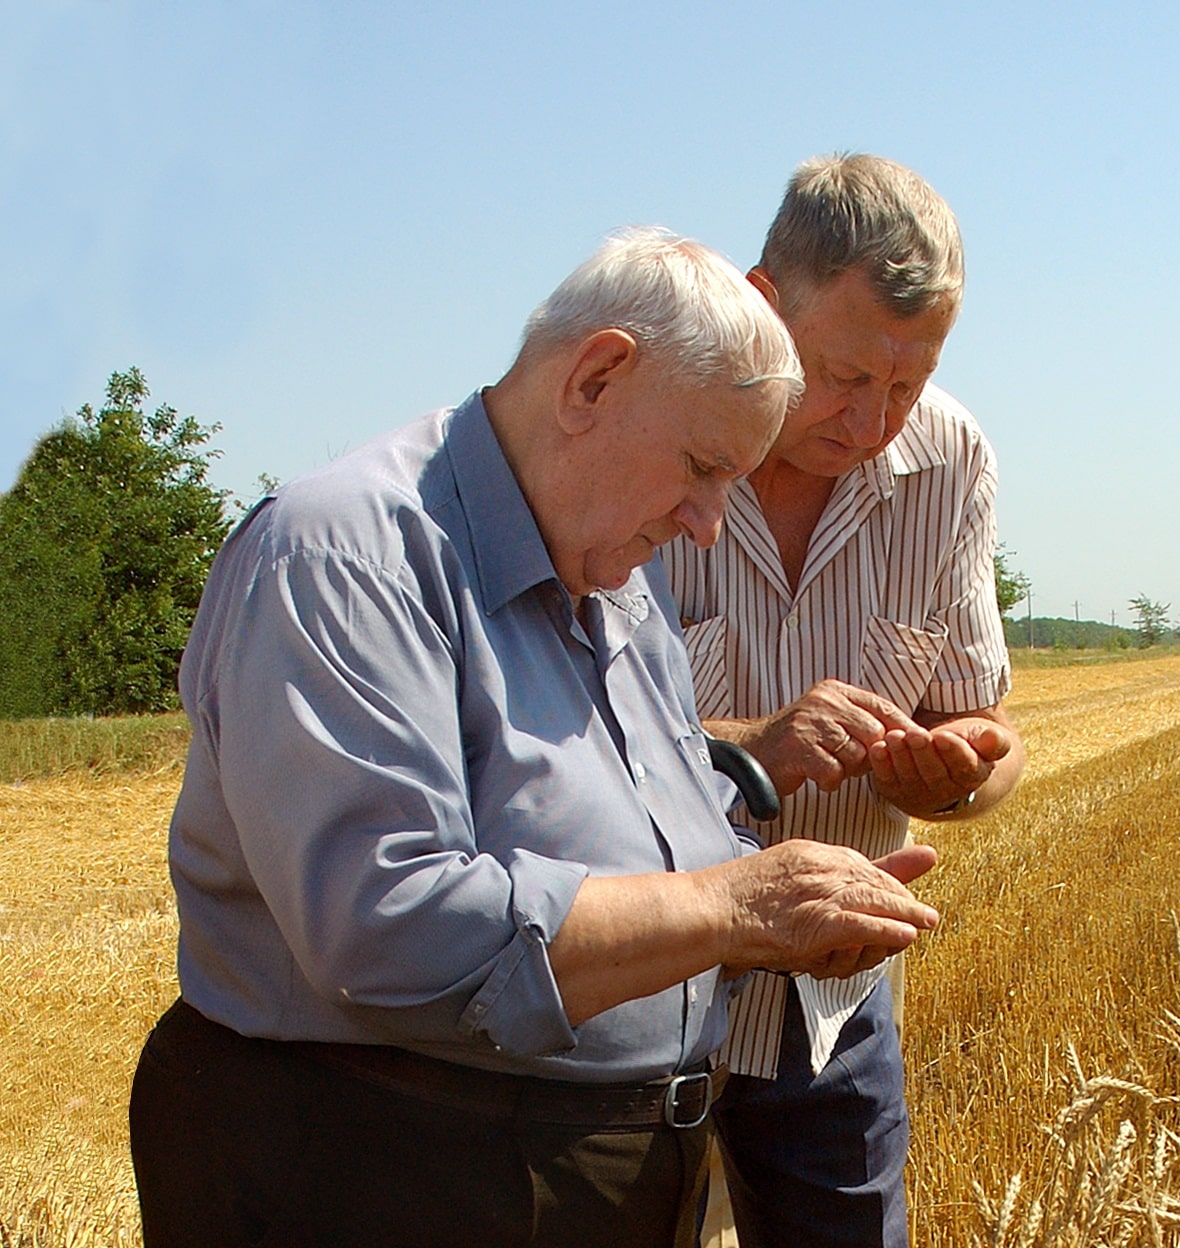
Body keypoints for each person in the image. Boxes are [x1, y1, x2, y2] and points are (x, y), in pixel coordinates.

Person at [128, 226, 944, 1248]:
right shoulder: (349, 555)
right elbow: (389, 925)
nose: (706, 524)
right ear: (595, 378)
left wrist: (781, 915)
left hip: (563, 1179)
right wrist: (733, 907)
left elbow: (660, 839)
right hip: (375, 1166)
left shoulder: (618, 584)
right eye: (701, 466)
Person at [663, 156, 1025, 1247]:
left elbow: (995, 735)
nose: (874, 423)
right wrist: (748, 744)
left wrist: (962, 771)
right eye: (842, 377)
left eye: (906, 387)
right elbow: (548, 734)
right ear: (762, 303)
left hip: (832, 1013)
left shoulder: (951, 459)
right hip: (640, 1005)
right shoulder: (648, 441)